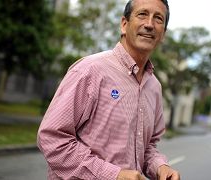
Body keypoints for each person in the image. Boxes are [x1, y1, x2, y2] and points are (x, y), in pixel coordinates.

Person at [37, 0, 180, 179]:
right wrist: (114, 175)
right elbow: (52, 139)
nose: (149, 24)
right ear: (124, 24)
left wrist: (160, 167)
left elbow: (148, 146)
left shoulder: (154, 87)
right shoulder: (90, 70)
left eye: (158, 18)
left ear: (163, 34)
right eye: (142, 14)